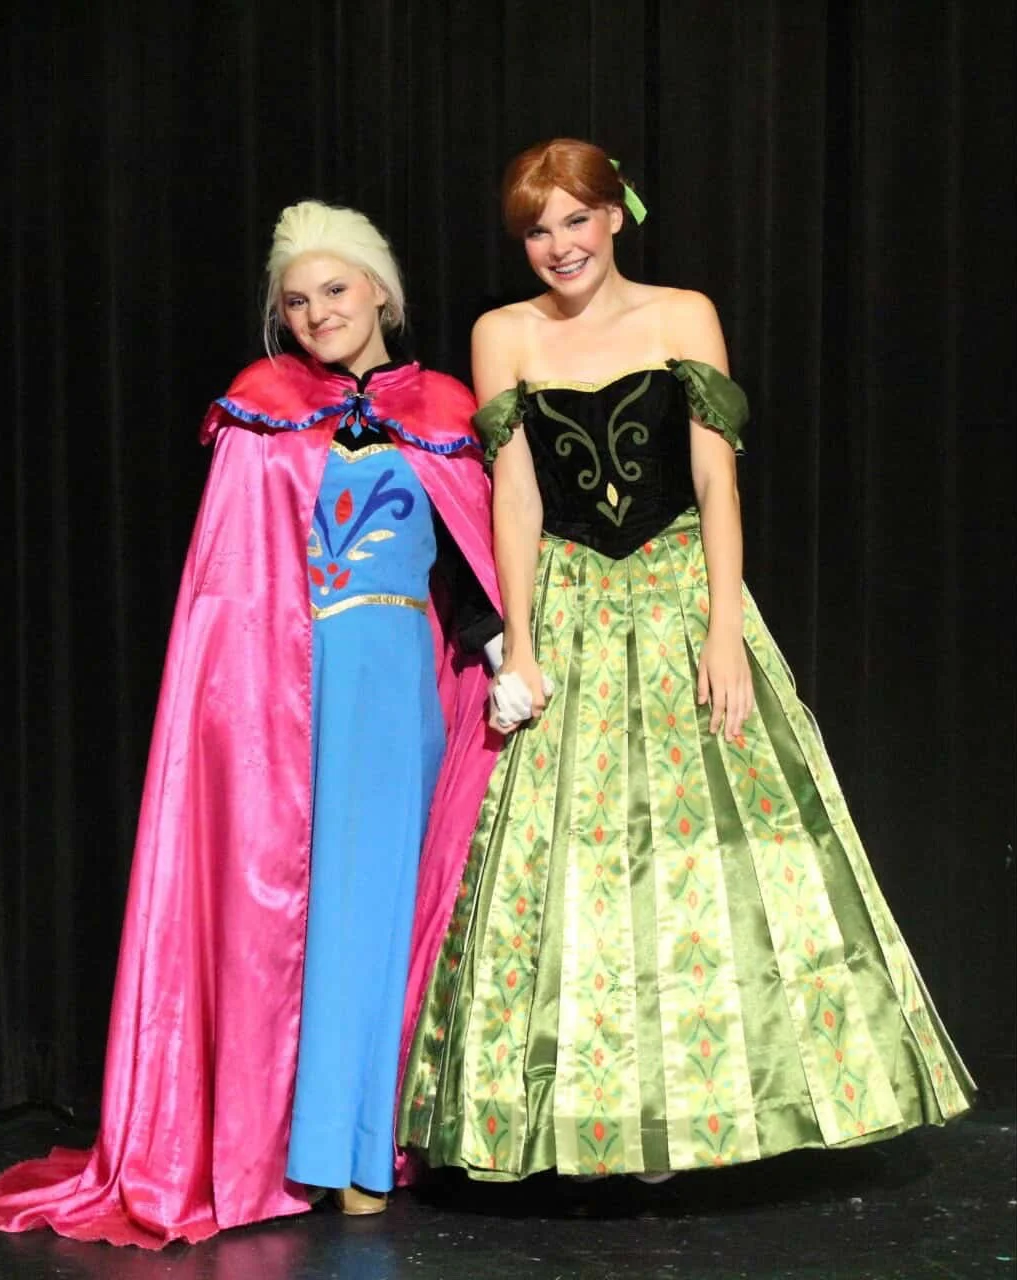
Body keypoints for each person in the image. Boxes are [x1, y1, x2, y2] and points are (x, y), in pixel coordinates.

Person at [397, 139, 974, 1183]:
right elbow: (514, 495)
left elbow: (715, 487)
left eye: (576, 219)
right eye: (537, 229)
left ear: (616, 214)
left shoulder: (681, 314)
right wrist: (519, 640)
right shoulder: (502, 333)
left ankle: (713, 1111)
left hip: (674, 592)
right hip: (569, 600)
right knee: (570, 858)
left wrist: (720, 628)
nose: (559, 245)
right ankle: (591, 1118)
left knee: (710, 845)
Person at [0, 200, 503, 1246]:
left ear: (381, 290)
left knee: (384, 915)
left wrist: (499, 647)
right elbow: (230, 584)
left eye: (335, 290)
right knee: (310, 917)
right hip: (294, 688)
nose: (317, 315)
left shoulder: (445, 404)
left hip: (401, 681)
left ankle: (372, 1144)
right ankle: (309, 1149)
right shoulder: (264, 407)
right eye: (296, 302)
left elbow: (476, 550)